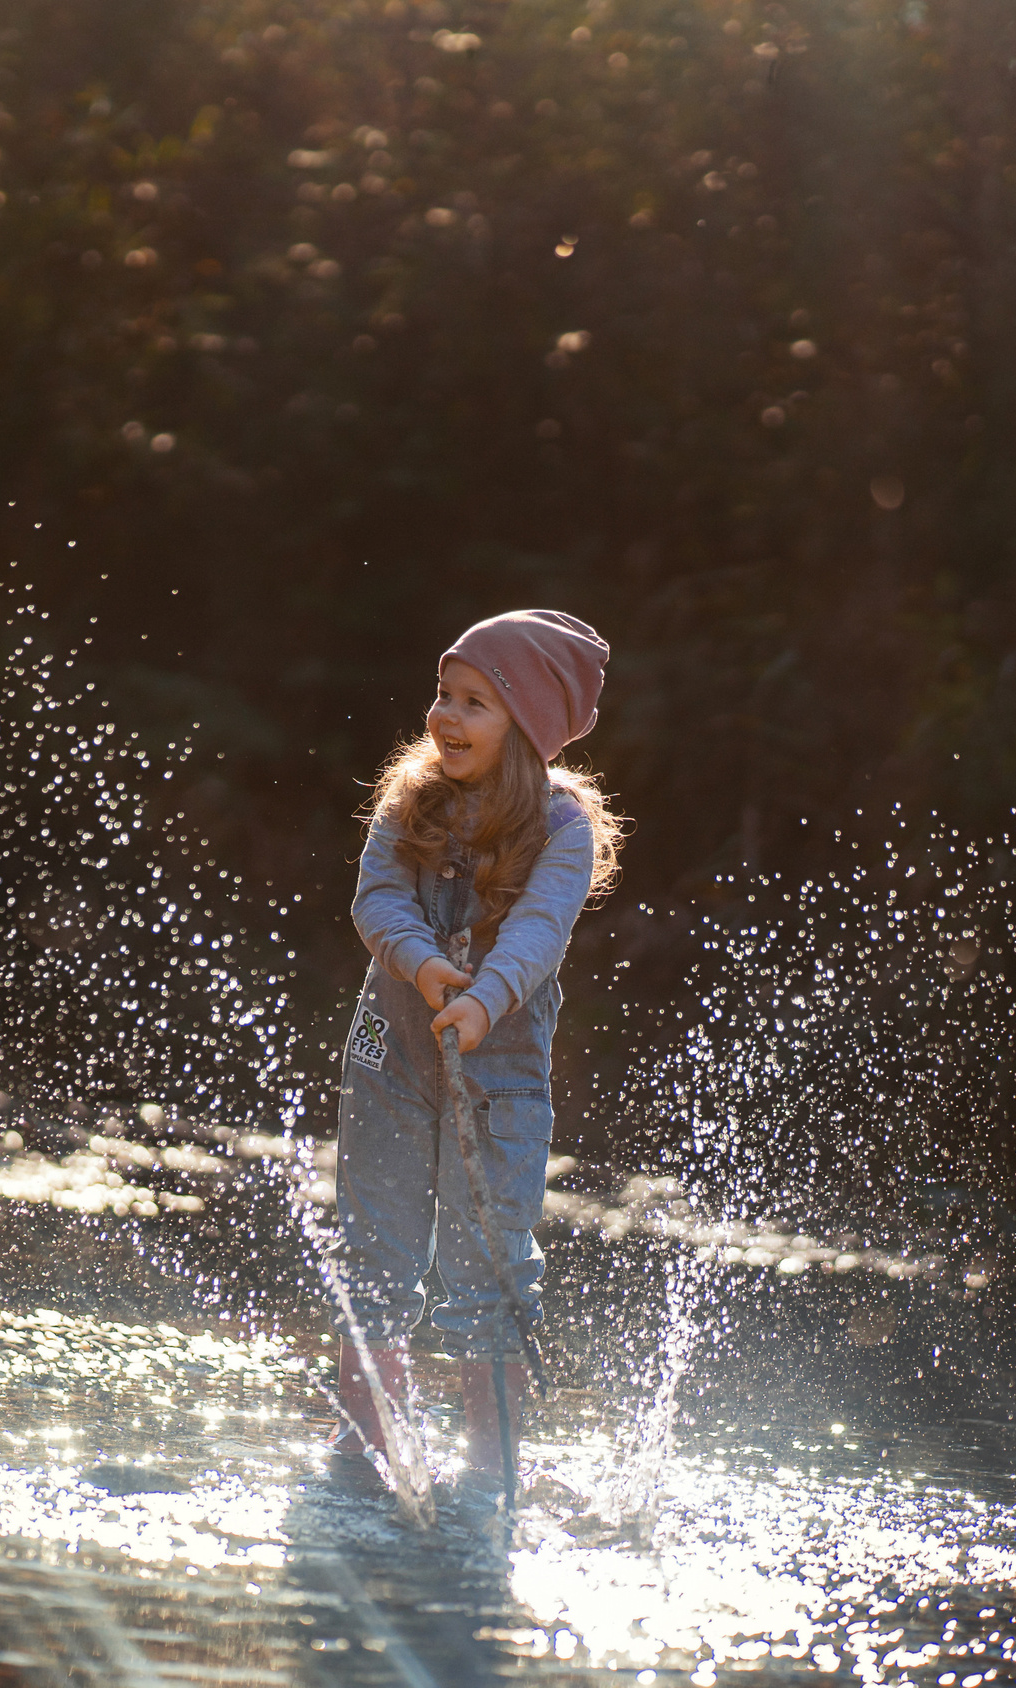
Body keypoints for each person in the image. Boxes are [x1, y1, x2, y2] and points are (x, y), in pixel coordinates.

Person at [326, 608, 625, 1479]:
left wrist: (485, 1000)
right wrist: (423, 968)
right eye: (443, 694)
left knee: (487, 1271)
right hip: (389, 1056)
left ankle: (490, 1468)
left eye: (475, 703)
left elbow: (538, 932)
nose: (445, 717)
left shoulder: (564, 830)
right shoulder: (410, 800)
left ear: (527, 727)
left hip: (499, 1082)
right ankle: (361, 1441)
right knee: (374, 1252)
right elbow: (377, 899)